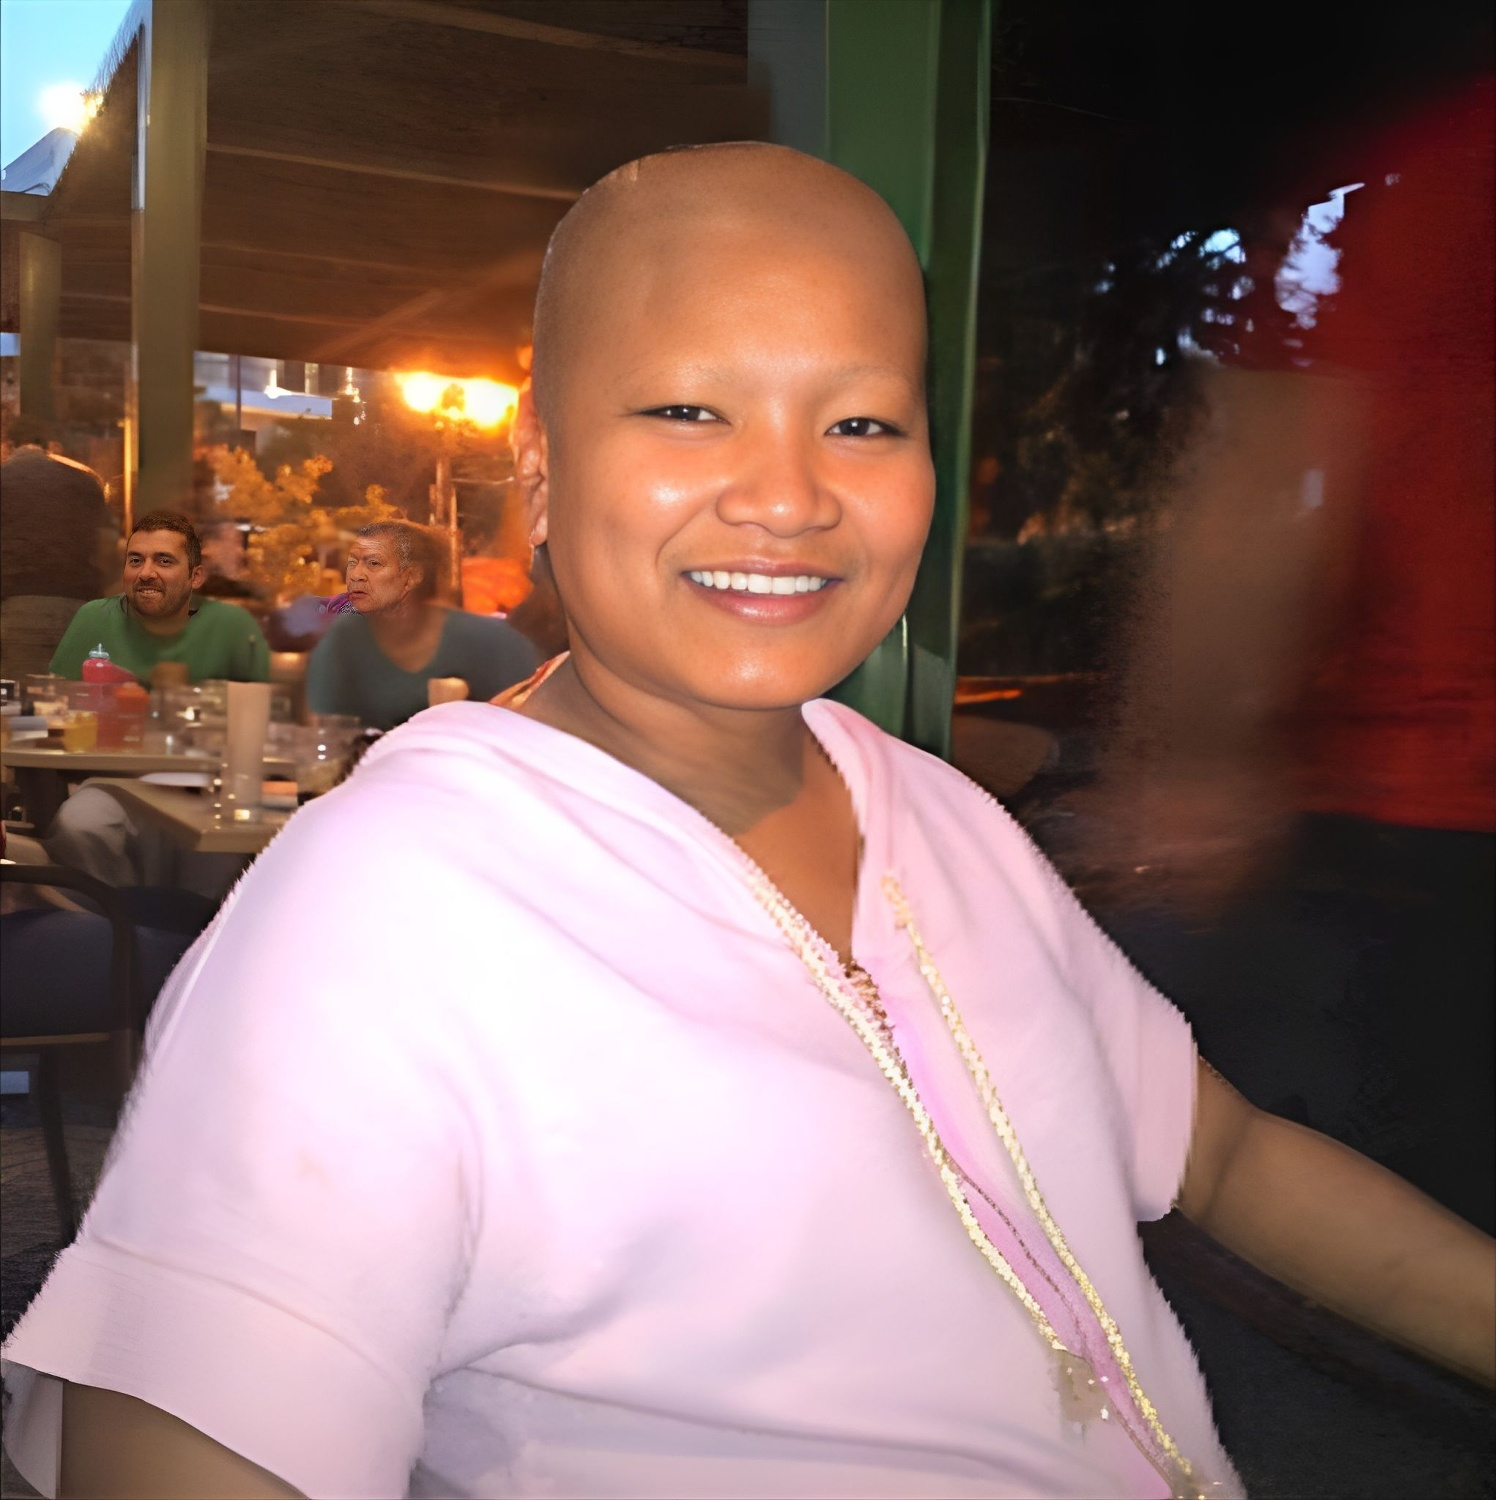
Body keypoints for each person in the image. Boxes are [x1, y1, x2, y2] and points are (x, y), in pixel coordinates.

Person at [2, 145, 1490, 1500]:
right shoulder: (388, 912)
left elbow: (1220, 1155)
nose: (787, 495)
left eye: (860, 421)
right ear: (540, 468)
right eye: (688, 410)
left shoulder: (935, 812)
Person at [305, 519, 538, 730]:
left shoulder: (491, 642)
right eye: (353, 563)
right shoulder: (344, 637)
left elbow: (528, 729)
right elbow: (324, 731)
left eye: (373, 564)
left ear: (413, 576)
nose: (356, 575)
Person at [48, 510, 270, 685]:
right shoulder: (94, 618)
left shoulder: (232, 627)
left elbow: (262, 713)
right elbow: (56, 703)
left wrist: (187, 694)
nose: (145, 573)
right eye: (136, 561)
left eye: (164, 561)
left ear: (195, 577)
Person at [0, 428, 118, 680]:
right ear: (52, 447)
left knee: (22, 697)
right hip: (81, 610)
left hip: (17, 609)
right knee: (73, 696)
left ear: (8, 445)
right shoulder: (85, 482)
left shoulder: (4, 478)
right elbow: (108, 545)